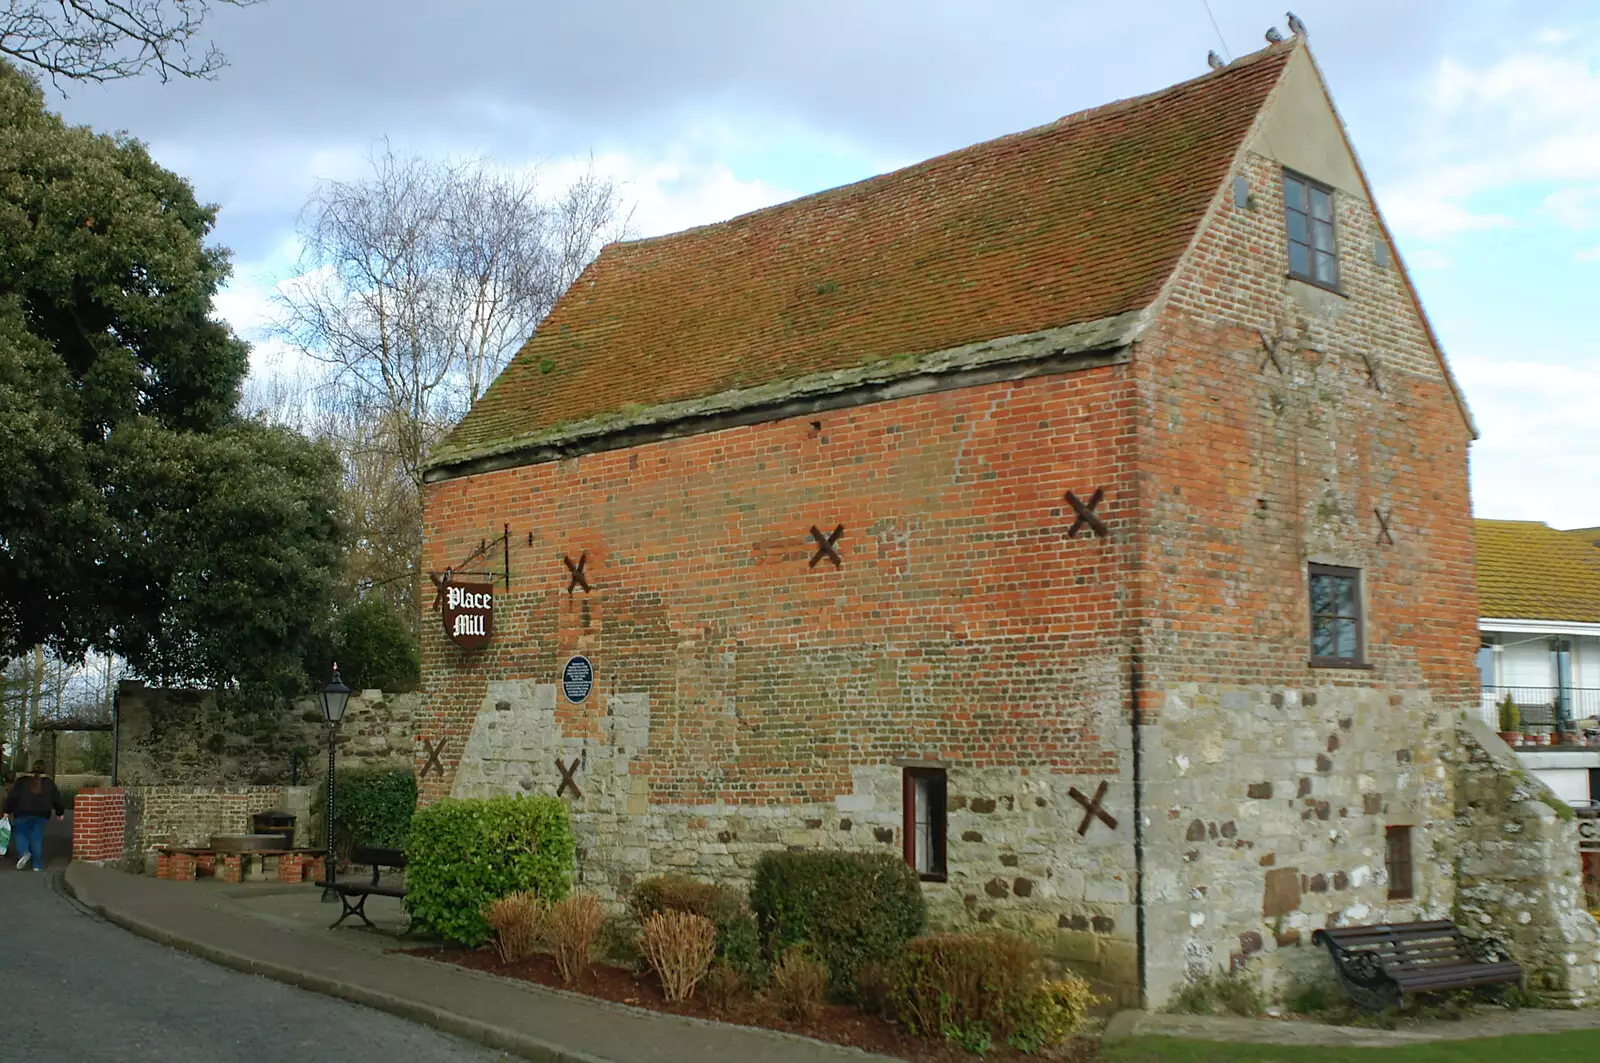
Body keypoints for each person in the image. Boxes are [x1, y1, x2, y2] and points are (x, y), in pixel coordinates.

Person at [3, 761, 64, 871]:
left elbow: (12, 797)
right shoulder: (49, 783)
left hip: (22, 812)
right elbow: (57, 799)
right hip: (42, 814)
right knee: (36, 838)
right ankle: (37, 864)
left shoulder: (22, 781)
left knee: (20, 833)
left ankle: (24, 852)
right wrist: (60, 813)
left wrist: (6, 810)